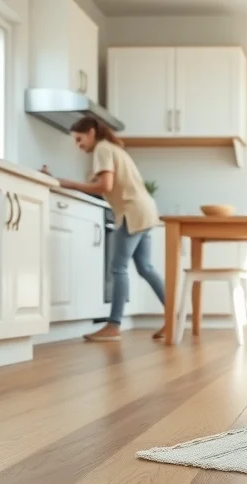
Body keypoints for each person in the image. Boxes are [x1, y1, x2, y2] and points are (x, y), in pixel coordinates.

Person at [42, 116, 166, 342]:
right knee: (145, 268)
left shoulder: (102, 149)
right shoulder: (114, 149)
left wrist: (67, 183)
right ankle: (174, 316)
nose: (79, 145)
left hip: (132, 210)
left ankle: (113, 325)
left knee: (118, 268)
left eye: (79, 139)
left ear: (91, 132)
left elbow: (104, 186)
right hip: (146, 209)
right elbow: (106, 185)